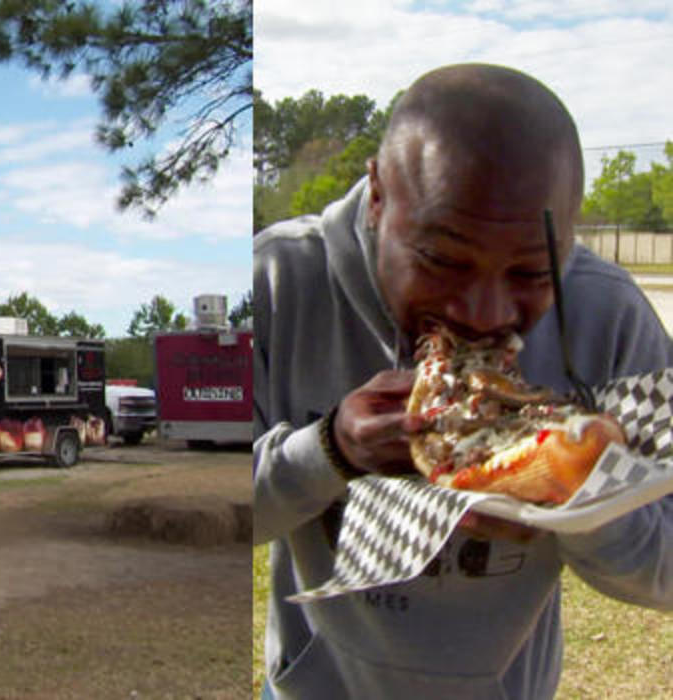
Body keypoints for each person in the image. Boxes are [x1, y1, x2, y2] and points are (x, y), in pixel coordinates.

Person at [254, 63, 673, 699]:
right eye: (442, 260)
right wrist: (330, 450)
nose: (483, 314)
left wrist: (586, 503)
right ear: (377, 195)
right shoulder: (279, 284)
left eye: (532, 274)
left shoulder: (606, 317)